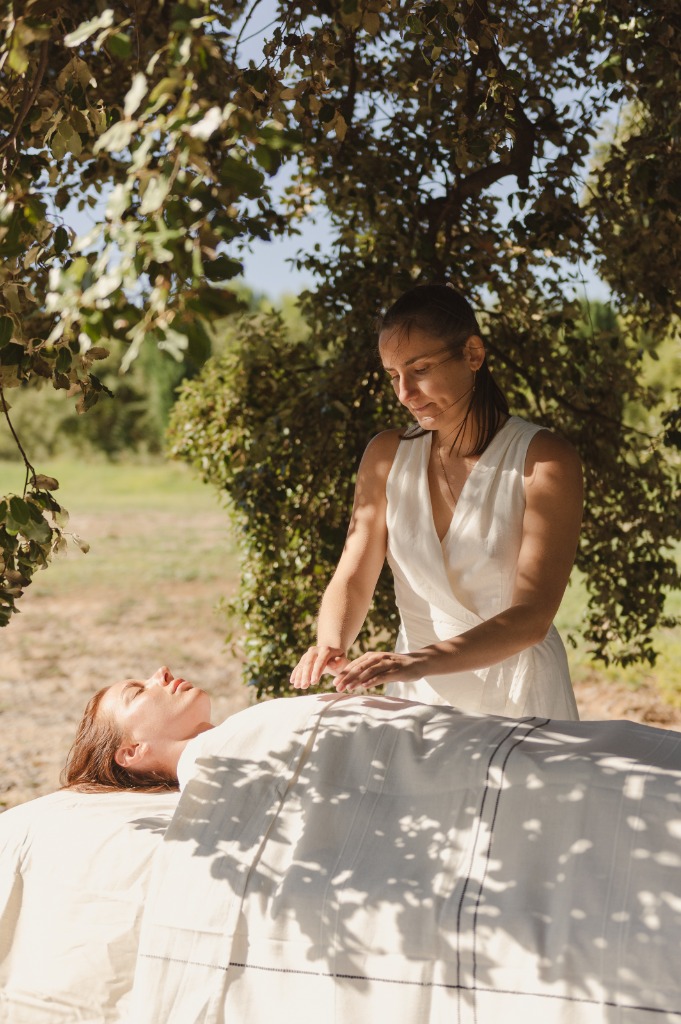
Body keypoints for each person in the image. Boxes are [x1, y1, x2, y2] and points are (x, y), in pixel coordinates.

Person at [290, 283, 583, 719]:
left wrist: (416, 662)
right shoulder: (386, 455)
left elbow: (531, 617)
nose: (405, 393)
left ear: (473, 354)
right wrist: (330, 642)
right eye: (394, 376)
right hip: (417, 696)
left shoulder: (545, 461)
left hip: (519, 696)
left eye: (420, 369)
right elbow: (353, 572)